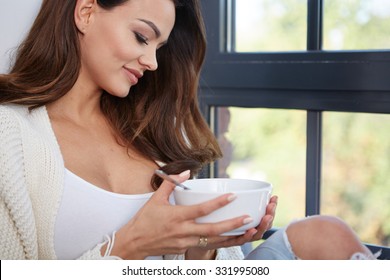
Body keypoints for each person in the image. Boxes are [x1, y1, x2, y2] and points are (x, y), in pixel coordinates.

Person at [0, 0, 378, 260]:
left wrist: (207, 244)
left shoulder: (150, 134)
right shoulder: (12, 136)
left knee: (328, 234)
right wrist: (130, 245)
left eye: (160, 48)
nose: (152, 62)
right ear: (85, 11)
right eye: (141, 37)